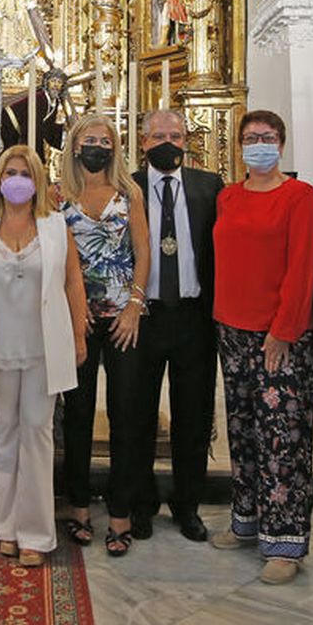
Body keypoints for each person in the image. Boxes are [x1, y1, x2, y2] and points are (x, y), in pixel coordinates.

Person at [0, 146, 88, 567]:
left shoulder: (55, 228)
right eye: (9, 172)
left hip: (43, 349)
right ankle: (6, 527)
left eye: (25, 173)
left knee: (38, 433)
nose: (16, 179)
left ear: (37, 180)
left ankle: (35, 532)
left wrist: (78, 337)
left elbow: (72, 283)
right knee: (5, 435)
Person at [208, 110, 313, 585]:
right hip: (231, 328)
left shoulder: (300, 196)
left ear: (281, 143)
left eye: (268, 138)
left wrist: (284, 330)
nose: (259, 144)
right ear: (239, 145)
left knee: (283, 439)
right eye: (251, 138)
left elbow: (303, 267)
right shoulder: (228, 197)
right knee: (242, 431)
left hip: (279, 335)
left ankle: (285, 540)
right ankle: (247, 520)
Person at [57, 115, 150, 555]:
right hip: (77, 318)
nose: (96, 146)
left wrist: (134, 305)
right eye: (88, 140)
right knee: (75, 415)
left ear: (115, 147)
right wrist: (74, 314)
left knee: (125, 414)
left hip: (123, 318)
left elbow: (144, 251)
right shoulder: (59, 196)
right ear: (75, 147)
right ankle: (77, 506)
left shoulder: (129, 193)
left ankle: (120, 511)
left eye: (104, 140)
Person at [129, 109, 222, 543]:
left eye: (176, 134)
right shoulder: (125, 186)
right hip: (143, 316)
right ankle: (141, 504)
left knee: (193, 414)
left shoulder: (210, 187)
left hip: (192, 316)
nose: (168, 142)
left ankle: (188, 505)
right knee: (137, 413)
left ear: (187, 140)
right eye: (158, 135)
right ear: (143, 142)